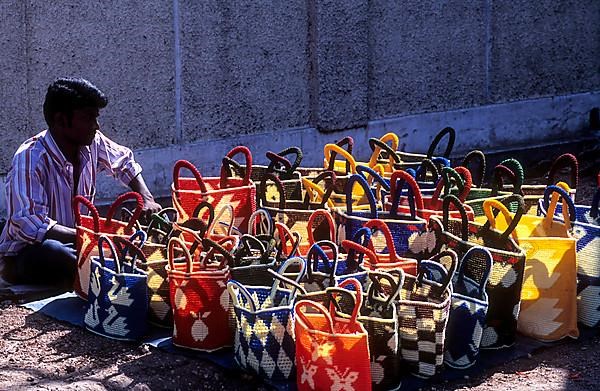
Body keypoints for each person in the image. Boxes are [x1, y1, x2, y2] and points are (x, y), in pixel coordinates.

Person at [0, 77, 162, 289]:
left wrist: (147, 198)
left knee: (107, 252)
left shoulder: (92, 141)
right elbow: (29, 223)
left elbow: (124, 162)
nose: (96, 126)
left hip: (79, 242)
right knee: (56, 253)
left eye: (96, 118)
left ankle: (100, 274)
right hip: (27, 253)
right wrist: (93, 238)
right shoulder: (29, 158)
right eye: (88, 118)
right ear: (61, 120)